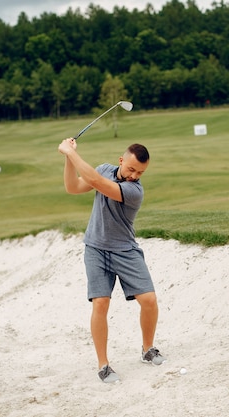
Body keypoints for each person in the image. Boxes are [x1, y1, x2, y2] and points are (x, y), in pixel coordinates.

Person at [58, 138, 165, 383]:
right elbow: (73, 187)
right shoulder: (105, 169)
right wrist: (68, 157)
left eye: (140, 172)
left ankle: (147, 350)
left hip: (125, 250)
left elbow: (97, 183)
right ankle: (103, 365)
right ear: (121, 161)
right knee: (101, 304)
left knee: (149, 300)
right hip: (96, 249)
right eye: (131, 169)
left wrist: (71, 153)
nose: (134, 175)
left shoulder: (134, 191)